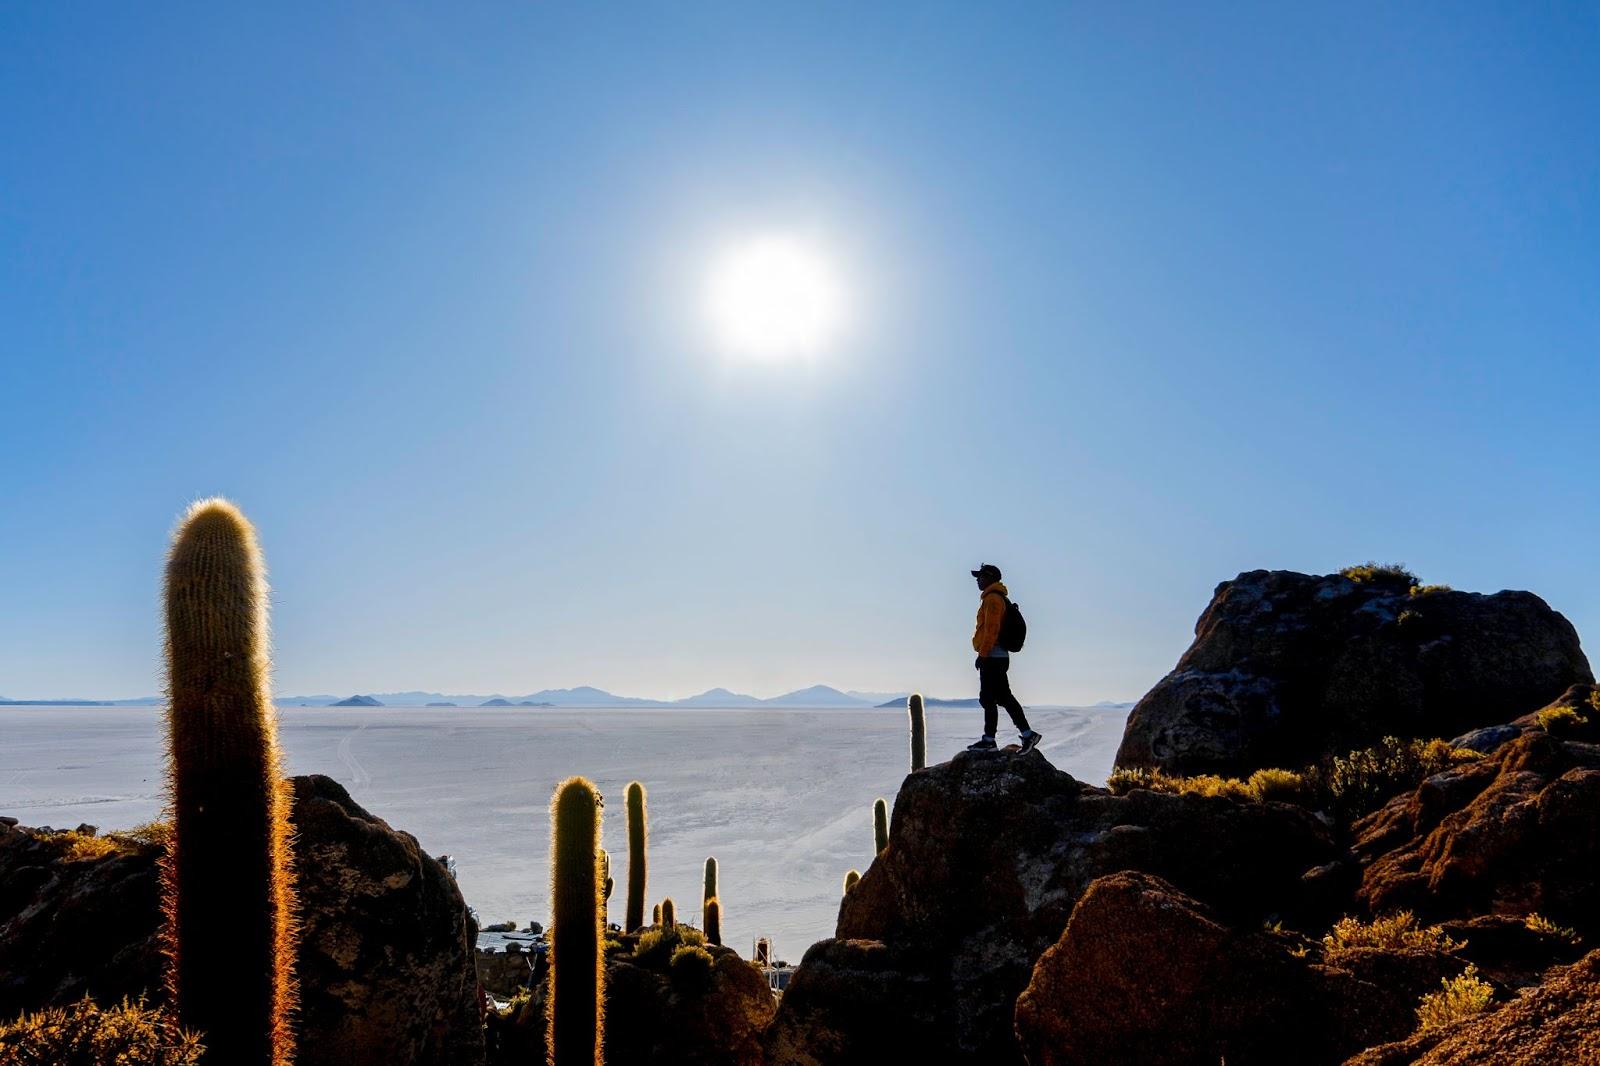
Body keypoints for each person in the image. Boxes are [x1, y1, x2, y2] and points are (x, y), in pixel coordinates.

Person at [967, 563, 1042, 753]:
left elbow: (991, 630)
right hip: (997, 656)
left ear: (990, 577)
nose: (978, 579)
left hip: (993, 656)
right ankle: (1025, 734)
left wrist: (983, 655)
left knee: (990, 698)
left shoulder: (993, 599)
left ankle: (990, 740)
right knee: (1000, 697)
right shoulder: (995, 598)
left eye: (981, 576)